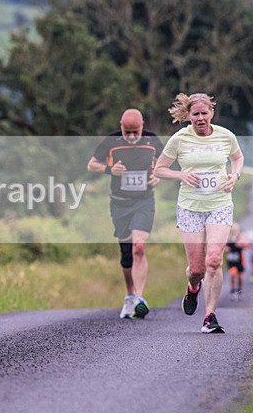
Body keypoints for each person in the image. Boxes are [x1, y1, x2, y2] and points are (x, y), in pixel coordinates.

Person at [154, 92, 244, 334]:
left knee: (214, 260)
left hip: (220, 204)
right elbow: (159, 169)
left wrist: (235, 175)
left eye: (205, 113)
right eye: (196, 114)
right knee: (197, 269)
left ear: (211, 113)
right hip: (190, 207)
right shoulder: (179, 139)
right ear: (188, 116)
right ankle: (192, 288)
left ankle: (210, 316)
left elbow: (238, 158)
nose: (201, 118)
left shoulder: (226, 136)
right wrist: (180, 175)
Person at [88, 109, 163, 319]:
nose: (131, 137)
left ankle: (140, 298)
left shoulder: (152, 141)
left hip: (144, 201)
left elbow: (166, 164)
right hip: (119, 203)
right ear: (121, 126)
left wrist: (157, 176)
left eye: (135, 132)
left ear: (143, 126)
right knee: (127, 254)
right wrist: (110, 170)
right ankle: (129, 296)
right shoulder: (111, 141)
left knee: (139, 246)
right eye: (127, 132)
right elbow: (91, 164)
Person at [225, 223, 247, 300]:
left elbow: (246, 245)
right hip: (231, 260)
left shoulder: (241, 236)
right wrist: (226, 249)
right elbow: (224, 247)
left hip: (240, 260)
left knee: (240, 276)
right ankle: (232, 290)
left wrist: (241, 244)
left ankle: (239, 290)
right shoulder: (228, 237)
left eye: (235, 228)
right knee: (232, 274)